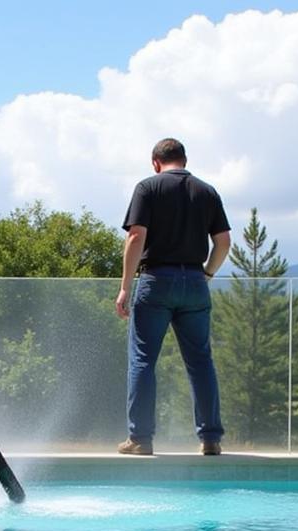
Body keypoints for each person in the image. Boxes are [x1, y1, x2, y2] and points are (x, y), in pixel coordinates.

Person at [115, 138, 231, 456]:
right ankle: (210, 439)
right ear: (184, 160)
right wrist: (207, 274)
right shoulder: (207, 191)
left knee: (142, 360)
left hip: (156, 280)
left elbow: (136, 236)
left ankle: (140, 439)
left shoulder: (147, 188)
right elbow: (223, 242)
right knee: (200, 362)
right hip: (194, 281)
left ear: (156, 162)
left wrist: (125, 286)